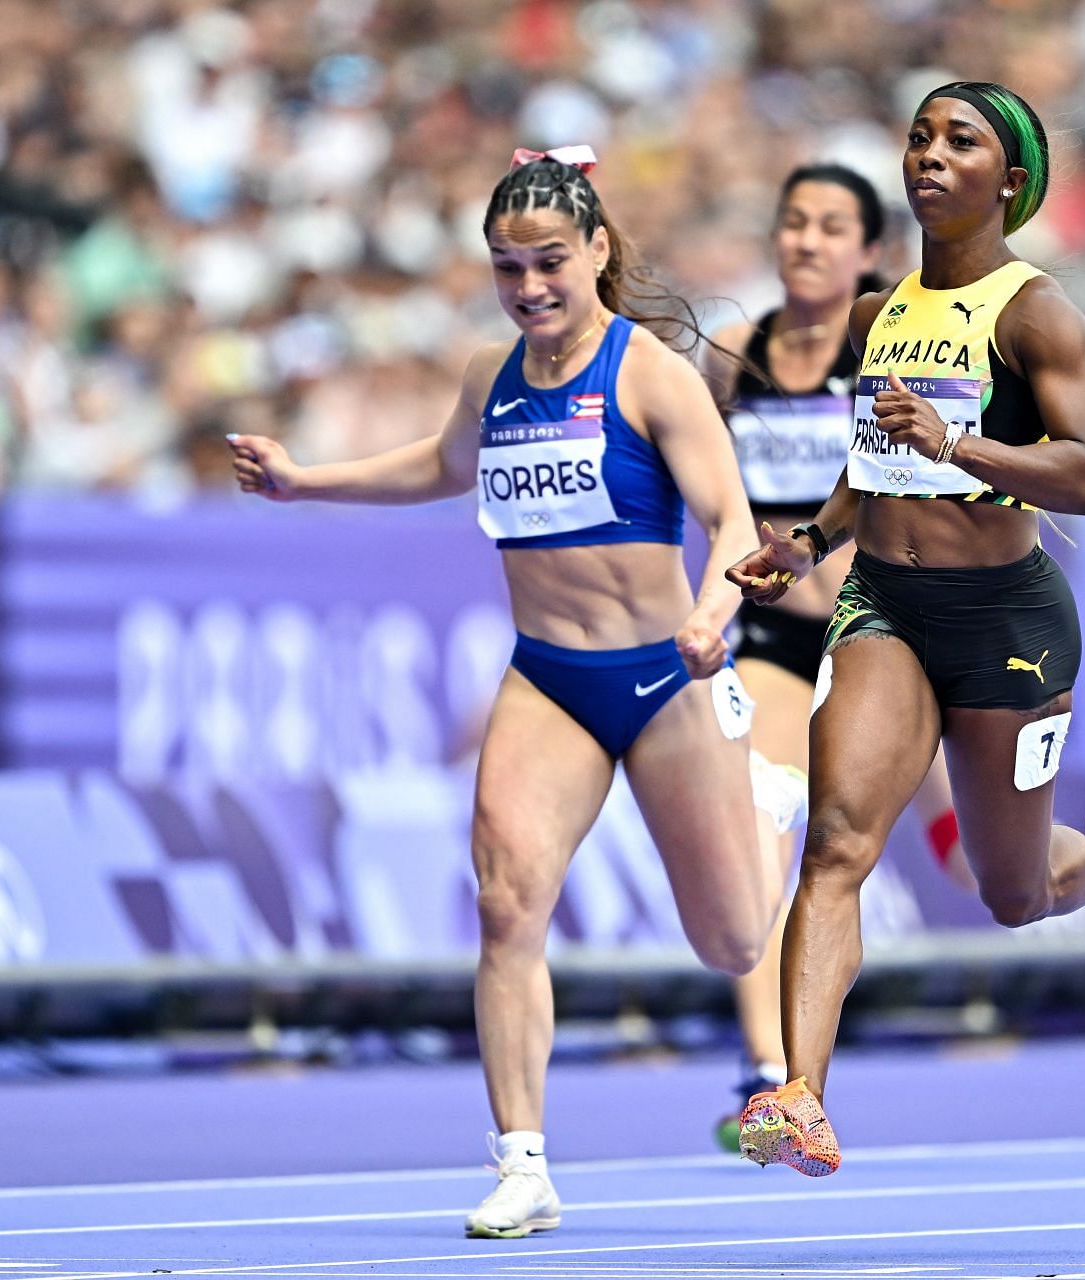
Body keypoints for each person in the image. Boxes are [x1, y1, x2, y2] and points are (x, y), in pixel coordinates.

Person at [229, 148, 791, 1236]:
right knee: (504, 902)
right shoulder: (493, 377)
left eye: (548, 264)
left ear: (597, 253)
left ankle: (763, 800)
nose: (530, 288)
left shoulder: (649, 375)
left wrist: (715, 616)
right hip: (550, 679)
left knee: (730, 941)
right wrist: (306, 480)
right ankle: (522, 1161)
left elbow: (732, 525)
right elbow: (439, 466)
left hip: (666, 675)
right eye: (506, 268)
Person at [725, 83, 1085, 1177]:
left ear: (1010, 181)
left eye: (959, 141)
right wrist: (810, 540)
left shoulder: (1037, 313)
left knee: (1011, 894)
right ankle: (802, 1095)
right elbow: (872, 462)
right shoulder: (878, 312)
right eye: (920, 137)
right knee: (835, 844)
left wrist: (957, 442)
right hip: (885, 601)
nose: (929, 154)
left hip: (1006, 622)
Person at [701, 163, 973, 1150]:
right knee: (759, 844)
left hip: (883, 625)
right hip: (774, 637)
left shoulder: (892, 357)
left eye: (830, 228)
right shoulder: (738, 353)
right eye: (792, 222)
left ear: (869, 255)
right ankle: (768, 1076)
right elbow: (694, 473)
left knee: (993, 873)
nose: (806, 241)